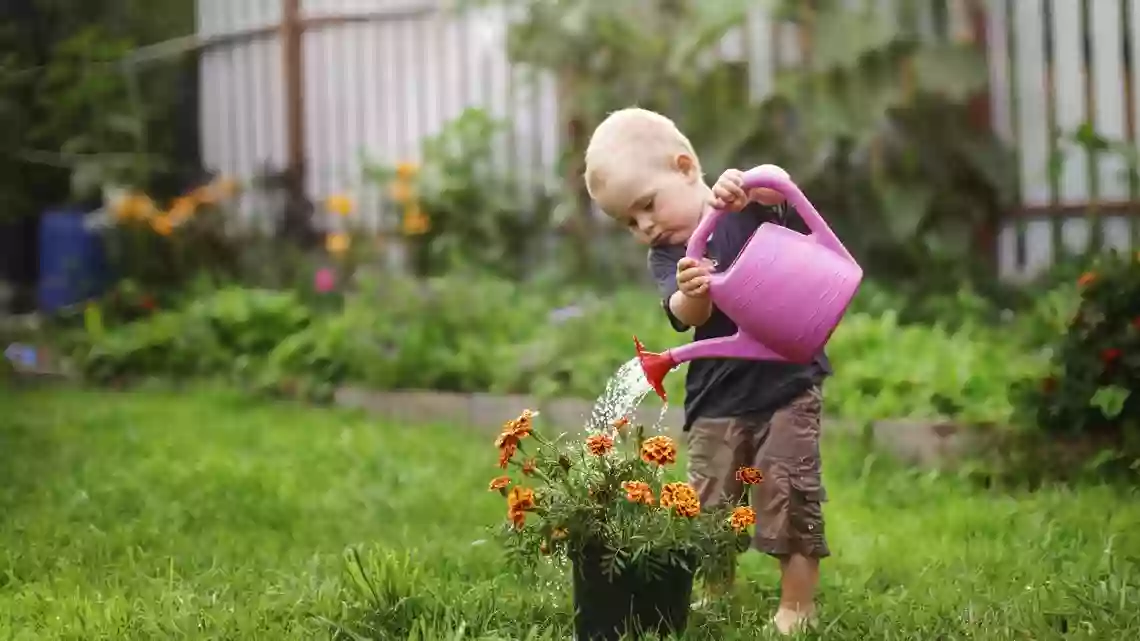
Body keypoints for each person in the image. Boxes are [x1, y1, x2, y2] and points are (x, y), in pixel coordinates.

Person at [583, 107, 831, 635]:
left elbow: (782, 191)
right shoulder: (670, 256)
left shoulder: (739, 205)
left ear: (684, 166)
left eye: (647, 205)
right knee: (711, 503)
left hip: (786, 381)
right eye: (629, 221)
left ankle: (796, 606)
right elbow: (681, 313)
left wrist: (753, 188)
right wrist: (692, 292)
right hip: (716, 394)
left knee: (790, 489)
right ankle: (719, 592)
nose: (644, 225)